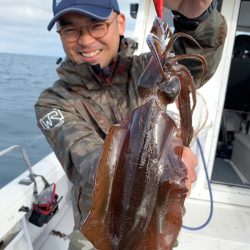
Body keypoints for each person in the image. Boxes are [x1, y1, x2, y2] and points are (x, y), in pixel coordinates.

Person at [35, 0, 227, 248]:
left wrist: (196, 16)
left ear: (120, 23)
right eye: (71, 29)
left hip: (155, 225)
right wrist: (165, 163)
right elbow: (89, 162)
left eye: (97, 25)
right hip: (96, 234)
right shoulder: (53, 102)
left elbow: (200, 58)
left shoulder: (144, 70)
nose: (85, 40)